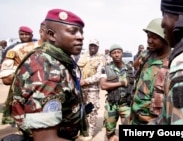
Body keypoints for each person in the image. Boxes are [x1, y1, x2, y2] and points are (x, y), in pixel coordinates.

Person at [6, 8, 88, 141]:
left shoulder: (57, 60)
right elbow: (46, 139)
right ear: (51, 35)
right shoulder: (48, 69)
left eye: (81, 32)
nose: (80, 36)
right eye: (72, 31)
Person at [0, 21, 48, 125]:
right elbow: (6, 78)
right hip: (27, 103)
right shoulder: (17, 50)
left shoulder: (63, 52)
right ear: (41, 32)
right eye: (49, 31)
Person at [128, 18, 171, 125]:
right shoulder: (147, 55)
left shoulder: (173, 62)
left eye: (154, 38)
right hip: (135, 115)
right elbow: (134, 66)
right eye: (148, 37)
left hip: (153, 120)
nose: (149, 41)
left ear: (165, 38)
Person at [99, 44, 134, 141]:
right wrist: (121, 83)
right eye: (114, 53)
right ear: (110, 55)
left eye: (118, 52)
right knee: (110, 132)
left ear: (122, 53)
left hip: (126, 104)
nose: (116, 55)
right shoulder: (105, 68)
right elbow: (103, 85)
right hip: (111, 105)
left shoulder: (130, 68)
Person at [77, 38, 106, 140]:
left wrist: (85, 81)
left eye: (95, 46)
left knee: (91, 110)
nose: (92, 47)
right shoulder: (82, 57)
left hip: (92, 89)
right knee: (81, 110)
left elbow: (99, 75)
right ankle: (82, 130)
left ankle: (90, 132)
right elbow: (77, 70)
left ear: (98, 47)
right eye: (91, 45)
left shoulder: (101, 59)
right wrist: (78, 80)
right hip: (81, 89)